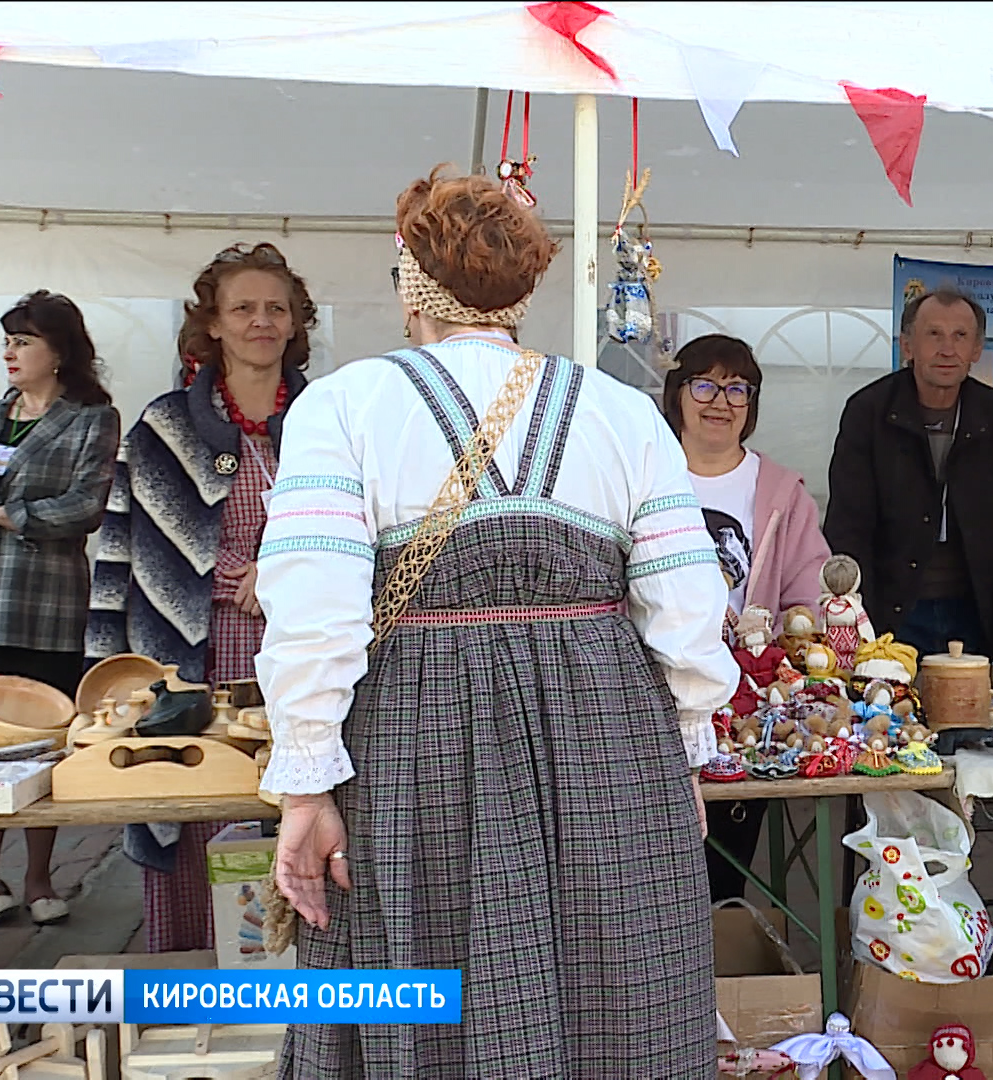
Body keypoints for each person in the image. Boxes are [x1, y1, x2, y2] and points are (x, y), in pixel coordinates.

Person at [258, 167, 737, 1077]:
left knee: (426, 984)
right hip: (610, 735)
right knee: (617, 988)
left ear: (411, 285)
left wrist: (308, 785)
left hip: (415, 736)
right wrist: (684, 750)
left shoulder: (344, 405)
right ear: (524, 286)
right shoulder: (623, 410)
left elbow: (312, 612)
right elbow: (684, 605)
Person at [87, 242, 317, 952]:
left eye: (276, 308)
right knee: (187, 807)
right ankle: (192, 999)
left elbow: (378, 532)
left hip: (304, 651)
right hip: (189, 652)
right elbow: (122, 549)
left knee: (299, 806)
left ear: (296, 321)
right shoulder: (165, 424)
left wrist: (283, 568)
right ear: (211, 324)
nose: (261, 321)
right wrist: (100, 676)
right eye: (243, 307)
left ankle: (298, 1005)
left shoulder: (332, 418)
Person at [0, 291, 120, 927]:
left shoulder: (92, 419)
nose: (10, 352)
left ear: (59, 351)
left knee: (45, 738)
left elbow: (85, 508)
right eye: (6, 340)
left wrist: (1, 514)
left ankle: (39, 877)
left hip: (49, 600)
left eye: (24, 340)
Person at [661, 333, 830, 902]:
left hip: (747, 702)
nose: (721, 401)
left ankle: (724, 972)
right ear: (677, 394)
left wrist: (786, 629)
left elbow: (812, 591)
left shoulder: (782, 491)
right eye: (704, 384)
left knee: (721, 869)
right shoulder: (645, 473)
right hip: (653, 695)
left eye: (738, 388)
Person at [824, 287, 993, 693]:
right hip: (890, 613)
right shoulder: (868, 412)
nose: (947, 349)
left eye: (960, 336)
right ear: (907, 345)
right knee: (889, 736)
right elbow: (847, 529)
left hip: (977, 612)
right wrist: (856, 631)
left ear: (977, 349)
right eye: (933, 334)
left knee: (976, 738)